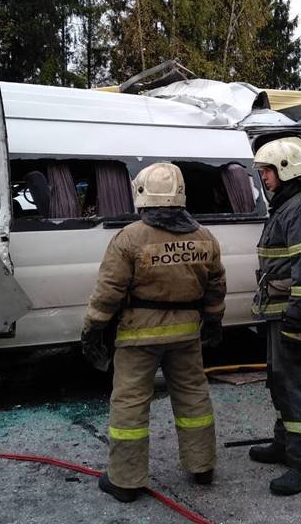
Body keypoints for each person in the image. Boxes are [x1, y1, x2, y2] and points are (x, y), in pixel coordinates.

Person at [80, 162, 226, 503]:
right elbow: (216, 286)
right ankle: (202, 466)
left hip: (138, 338)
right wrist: (214, 322)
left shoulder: (129, 238)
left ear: (142, 194)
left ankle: (126, 482)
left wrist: (92, 330)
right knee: (194, 397)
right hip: (188, 335)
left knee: (130, 404)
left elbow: (109, 292)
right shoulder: (204, 236)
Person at [250, 137, 301, 496]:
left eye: (267, 170)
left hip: (296, 313)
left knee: (299, 385)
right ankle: (286, 444)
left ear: (286, 169)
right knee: (281, 381)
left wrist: (298, 315)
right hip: (281, 311)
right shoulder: (287, 207)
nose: (264, 177)